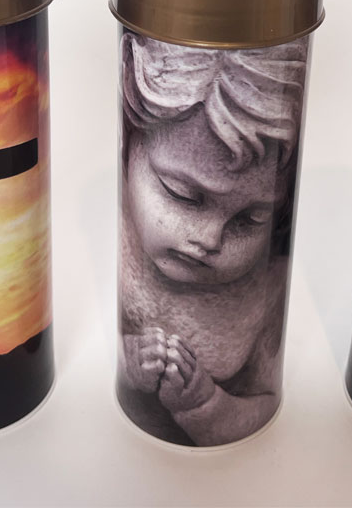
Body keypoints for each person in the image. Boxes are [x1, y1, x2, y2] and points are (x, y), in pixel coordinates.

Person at [117, 31, 307, 446]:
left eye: (250, 219)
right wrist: (129, 362)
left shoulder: (266, 292)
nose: (209, 239)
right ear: (130, 146)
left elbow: (262, 399)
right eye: (183, 195)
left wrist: (205, 404)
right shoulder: (127, 250)